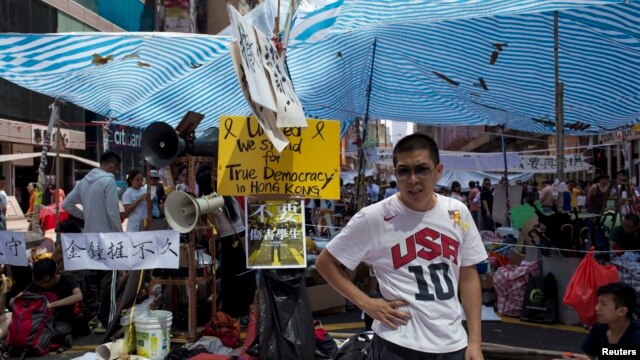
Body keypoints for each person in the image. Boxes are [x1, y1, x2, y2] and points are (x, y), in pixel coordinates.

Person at [316, 133, 487, 360]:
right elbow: (325, 263)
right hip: (398, 343)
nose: (413, 179)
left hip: (453, 343)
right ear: (395, 174)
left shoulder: (457, 211)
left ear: (438, 171)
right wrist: (366, 304)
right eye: (404, 171)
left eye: (422, 169)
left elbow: (468, 276)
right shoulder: (373, 217)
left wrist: (474, 342)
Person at [62, 151, 123, 333]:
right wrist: (120, 235)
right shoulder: (108, 181)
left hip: (90, 238)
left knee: (92, 280)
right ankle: (107, 320)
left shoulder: (83, 183)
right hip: (107, 239)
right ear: (112, 165)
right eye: (117, 168)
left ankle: (91, 318)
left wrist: (85, 217)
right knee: (108, 281)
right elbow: (113, 213)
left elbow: (66, 205)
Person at [11, 258, 82, 353]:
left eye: (46, 282)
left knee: (47, 334)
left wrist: (52, 304)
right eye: (40, 283)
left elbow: (78, 296)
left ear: (55, 274)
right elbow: (16, 299)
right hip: (43, 322)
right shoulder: (38, 283)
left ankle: (63, 338)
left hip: (63, 320)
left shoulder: (66, 280)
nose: (43, 285)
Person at [555, 282, 640, 359]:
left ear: (621, 311)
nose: (596, 308)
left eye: (603, 304)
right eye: (598, 302)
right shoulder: (599, 327)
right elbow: (588, 356)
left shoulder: (636, 336)